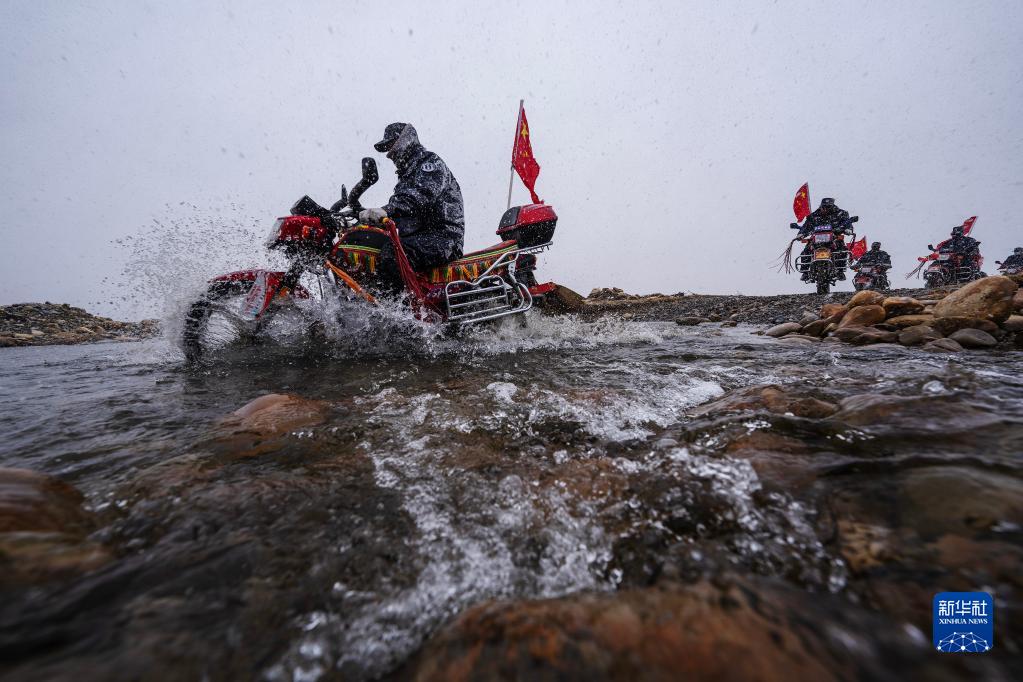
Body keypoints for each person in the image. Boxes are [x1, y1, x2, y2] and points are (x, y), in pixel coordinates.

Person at [359, 123, 465, 294]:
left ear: (405, 140)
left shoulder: (429, 163)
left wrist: (387, 210)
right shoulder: (407, 175)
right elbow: (403, 209)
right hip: (421, 238)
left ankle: (397, 309)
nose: (389, 154)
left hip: (442, 238)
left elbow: (419, 196)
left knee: (392, 255)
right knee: (375, 246)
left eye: (390, 145)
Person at [797, 198, 855, 281]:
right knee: (806, 251)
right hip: (816, 239)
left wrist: (848, 229)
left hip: (834, 238)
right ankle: (805, 272)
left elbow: (847, 222)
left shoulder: (841, 213)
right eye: (823, 207)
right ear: (821, 206)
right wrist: (801, 233)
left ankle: (840, 271)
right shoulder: (814, 215)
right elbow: (806, 226)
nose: (825, 209)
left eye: (828, 207)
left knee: (842, 250)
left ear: (832, 206)